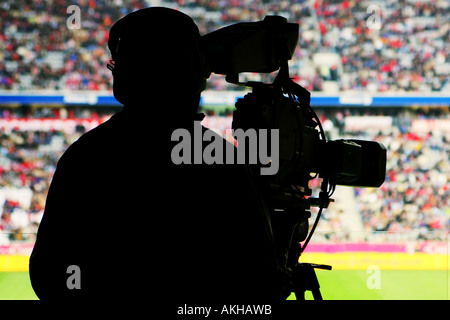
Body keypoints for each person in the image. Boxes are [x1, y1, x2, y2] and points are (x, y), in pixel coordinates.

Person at [29, 7, 282, 303]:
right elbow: (260, 284)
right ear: (194, 74)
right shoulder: (218, 159)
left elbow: (49, 275)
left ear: (122, 79)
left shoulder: (86, 155)